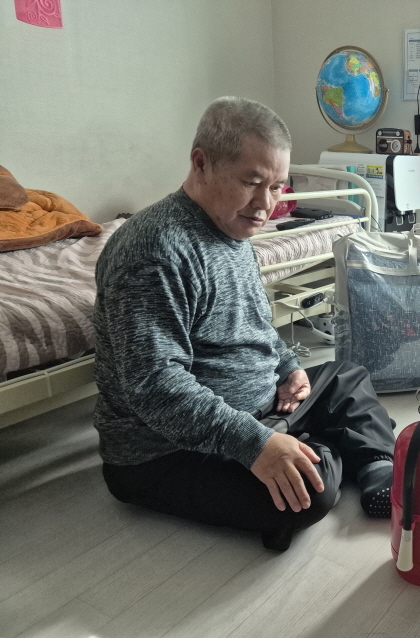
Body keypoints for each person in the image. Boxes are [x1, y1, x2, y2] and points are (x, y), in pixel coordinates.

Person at [93, 97, 396, 551]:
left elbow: (254, 325)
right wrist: (254, 444)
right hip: (169, 452)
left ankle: (374, 468)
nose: (266, 205)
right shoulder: (154, 252)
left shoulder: (233, 229)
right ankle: (318, 448)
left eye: (276, 187)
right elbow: (155, 387)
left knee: (346, 376)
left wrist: (288, 368)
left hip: (259, 408)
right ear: (202, 164)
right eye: (252, 183)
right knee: (311, 494)